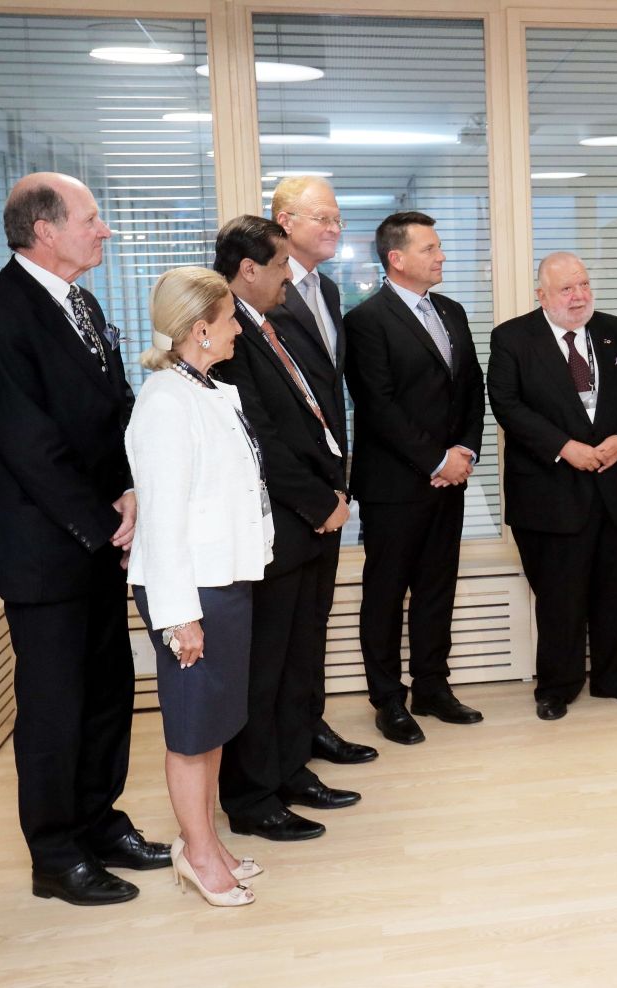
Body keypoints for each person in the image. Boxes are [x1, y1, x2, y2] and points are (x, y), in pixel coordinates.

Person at [0, 172, 170, 906]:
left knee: (108, 692)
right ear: (45, 230)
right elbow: (29, 446)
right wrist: (105, 521)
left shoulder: (82, 302)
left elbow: (113, 411)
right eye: (91, 218)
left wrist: (131, 489)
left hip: (101, 535)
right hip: (44, 548)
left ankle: (98, 822)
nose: (104, 230)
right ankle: (54, 854)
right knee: (55, 707)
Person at [125, 266, 274, 907]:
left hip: (224, 580)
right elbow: (161, 521)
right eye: (230, 318)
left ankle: (205, 841)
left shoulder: (208, 389)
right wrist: (179, 615)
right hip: (190, 591)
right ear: (200, 329)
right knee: (191, 729)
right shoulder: (165, 401)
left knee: (214, 724)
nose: (240, 327)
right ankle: (196, 853)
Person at [212, 216, 355, 843]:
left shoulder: (269, 323)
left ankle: (291, 769)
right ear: (248, 269)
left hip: (313, 516)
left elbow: (309, 413)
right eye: (278, 268)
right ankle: (252, 797)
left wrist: (333, 490)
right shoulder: (227, 332)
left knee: (300, 657)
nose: (287, 280)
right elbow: (259, 439)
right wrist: (317, 501)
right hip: (279, 522)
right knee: (265, 667)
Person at [487, 252, 617, 720]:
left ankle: (615, 677)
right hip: (550, 491)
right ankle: (557, 686)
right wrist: (565, 447)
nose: (579, 296)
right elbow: (507, 405)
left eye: (583, 284)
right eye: (566, 289)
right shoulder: (512, 338)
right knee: (559, 596)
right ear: (542, 295)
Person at [345, 211, 486, 745]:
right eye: (430, 248)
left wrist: (464, 451)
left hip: (451, 478)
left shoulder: (451, 311)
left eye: (439, 246)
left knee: (436, 588)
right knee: (386, 594)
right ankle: (388, 700)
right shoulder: (366, 320)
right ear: (396, 259)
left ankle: (432, 686)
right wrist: (435, 460)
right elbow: (377, 406)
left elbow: (472, 387)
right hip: (395, 486)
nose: (441, 256)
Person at [269, 175, 377, 767]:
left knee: (315, 618)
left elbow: (331, 392)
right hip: (290, 490)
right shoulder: (263, 293)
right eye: (323, 218)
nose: (336, 228)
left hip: (330, 479)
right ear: (284, 221)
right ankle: (287, 746)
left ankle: (310, 726)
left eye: (338, 218)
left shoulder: (328, 290)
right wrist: (312, 490)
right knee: (285, 629)